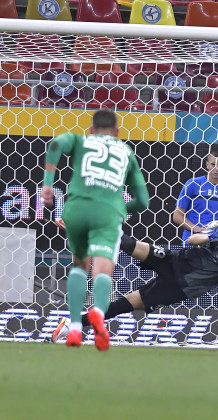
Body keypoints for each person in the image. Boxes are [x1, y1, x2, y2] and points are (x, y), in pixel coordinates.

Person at [52, 207, 218, 342]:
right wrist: (214, 237)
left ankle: (71, 324)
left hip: (181, 287)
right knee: (128, 243)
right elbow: (191, 239)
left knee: (122, 306)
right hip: (174, 260)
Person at [41, 109, 150, 351]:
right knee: (102, 269)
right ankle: (98, 313)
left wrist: (48, 185)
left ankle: (76, 327)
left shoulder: (82, 141)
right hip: (107, 213)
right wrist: (121, 208)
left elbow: (56, 142)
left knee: (80, 265)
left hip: (77, 208)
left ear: (90, 129)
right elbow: (143, 200)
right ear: (117, 132)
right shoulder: (126, 153)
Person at [172, 147, 218, 243]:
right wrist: (197, 229)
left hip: (217, 243)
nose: (216, 169)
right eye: (213, 164)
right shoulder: (193, 184)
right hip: (192, 240)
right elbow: (177, 215)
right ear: (207, 165)